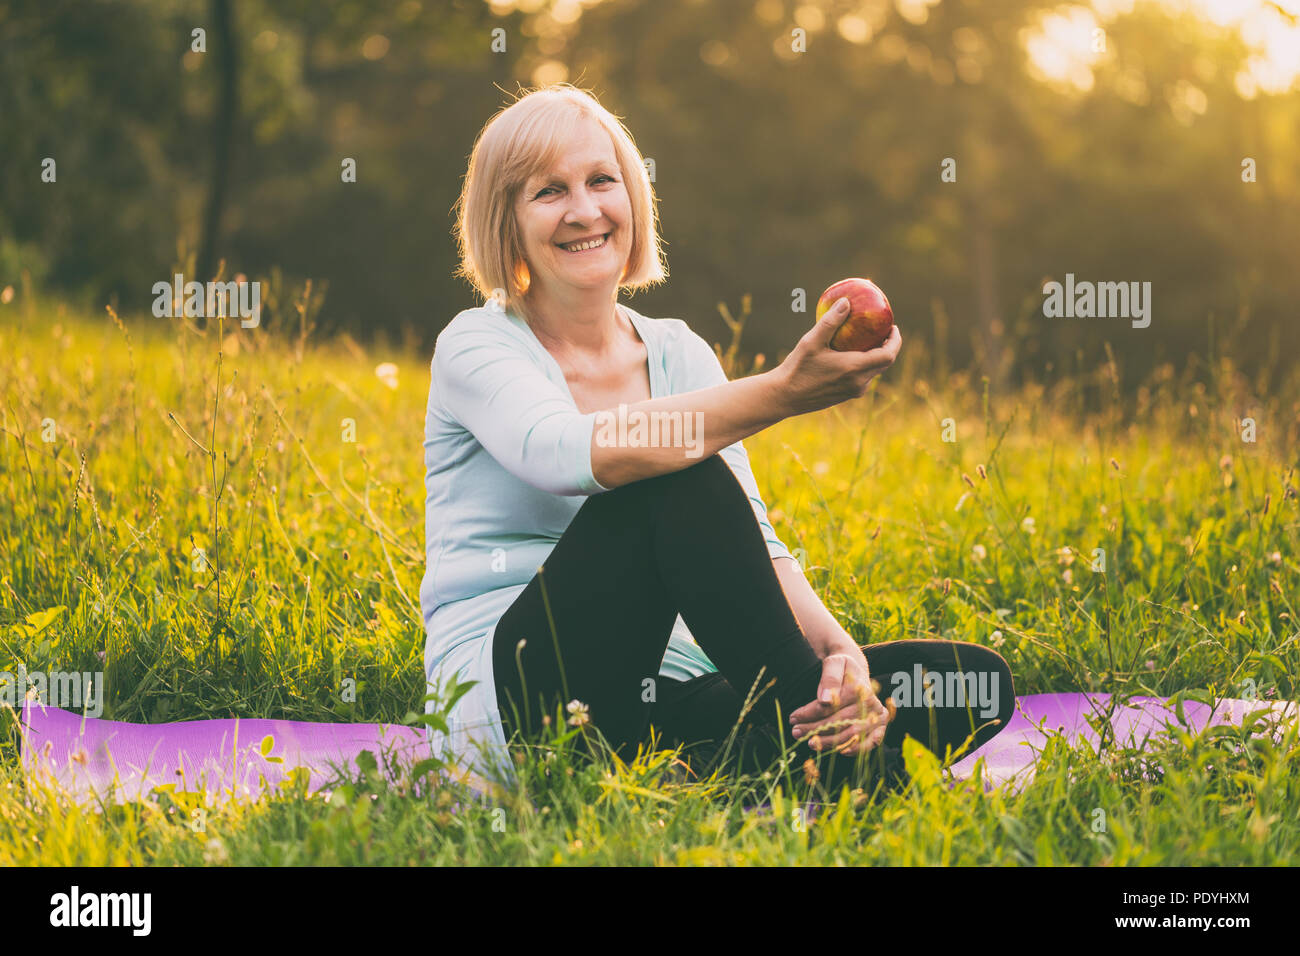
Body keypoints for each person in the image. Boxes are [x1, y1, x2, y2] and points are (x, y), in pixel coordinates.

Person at [421, 83, 1015, 798]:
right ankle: (847, 771)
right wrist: (784, 393)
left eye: (601, 181)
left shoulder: (680, 352)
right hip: (525, 698)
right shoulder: (477, 343)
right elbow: (562, 453)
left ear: (632, 196)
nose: (585, 210)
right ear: (506, 220)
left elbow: (757, 540)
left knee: (967, 685)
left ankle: (723, 772)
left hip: (662, 700)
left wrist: (836, 653)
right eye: (549, 191)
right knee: (675, 472)